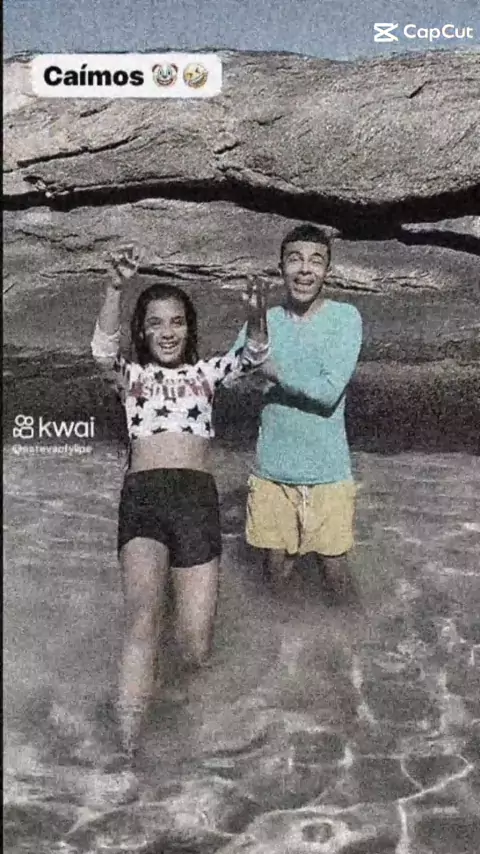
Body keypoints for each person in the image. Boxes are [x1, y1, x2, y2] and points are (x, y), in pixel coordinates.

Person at [90, 246, 269, 764]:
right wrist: (114, 287)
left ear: (188, 328)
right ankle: (127, 751)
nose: (167, 332)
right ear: (142, 331)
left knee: (196, 647)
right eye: (155, 323)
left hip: (196, 503)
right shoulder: (132, 377)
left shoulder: (207, 374)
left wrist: (256, 312)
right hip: (144, 499)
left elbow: (253, 354)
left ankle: (183, 727)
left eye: (176, 322)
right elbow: (102, 351)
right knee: (142, 619)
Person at [234, 224, 363, 598]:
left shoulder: (345, 318)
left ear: (328, 271)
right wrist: (254, 328)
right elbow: (230, 376)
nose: (305, 269)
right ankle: (282, 636)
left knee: (335, 574)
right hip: (271, 472)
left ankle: (358, 635)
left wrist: (270, 370)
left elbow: (327, 392)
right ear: (281, 268)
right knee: (275, 576)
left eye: (316, 261)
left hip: (328, 474)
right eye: (295, 260)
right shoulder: (267, 321)